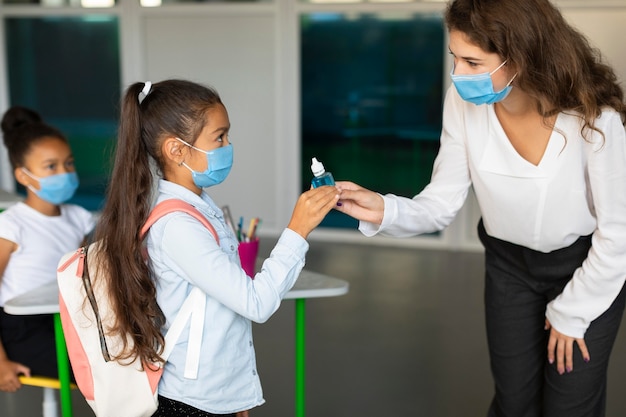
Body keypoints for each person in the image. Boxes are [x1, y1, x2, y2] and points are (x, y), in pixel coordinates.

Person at [334, 0, 626, 416]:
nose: (458, 75)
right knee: (514, 403)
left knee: (571, 406)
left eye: (473, 62)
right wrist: (382, 209)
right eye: (455, 58)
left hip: (586, 268)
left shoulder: (596, 117)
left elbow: (618, 234)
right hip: (508, 267)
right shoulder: (462, 103)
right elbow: (440, 203)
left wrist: (573, 311)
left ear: (522, 55)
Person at [93, 79, 339, 417]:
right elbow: (255, 303)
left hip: (211, 396)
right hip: (191, 403)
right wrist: (298, 229)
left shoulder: (198, 207)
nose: (227, 146)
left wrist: (233, 396)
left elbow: (216, 308)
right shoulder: (179, 227)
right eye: (219, 137)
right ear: (176, 150)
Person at [0, 106, 95, 392]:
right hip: (25, 331)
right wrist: (0, 361)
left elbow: (84, 276)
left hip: (71, 321)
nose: (64, 173)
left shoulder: (79, 218)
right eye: (51, 166)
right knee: (103, 370)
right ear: (24, 176)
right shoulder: (10, 226)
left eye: (69, 163)